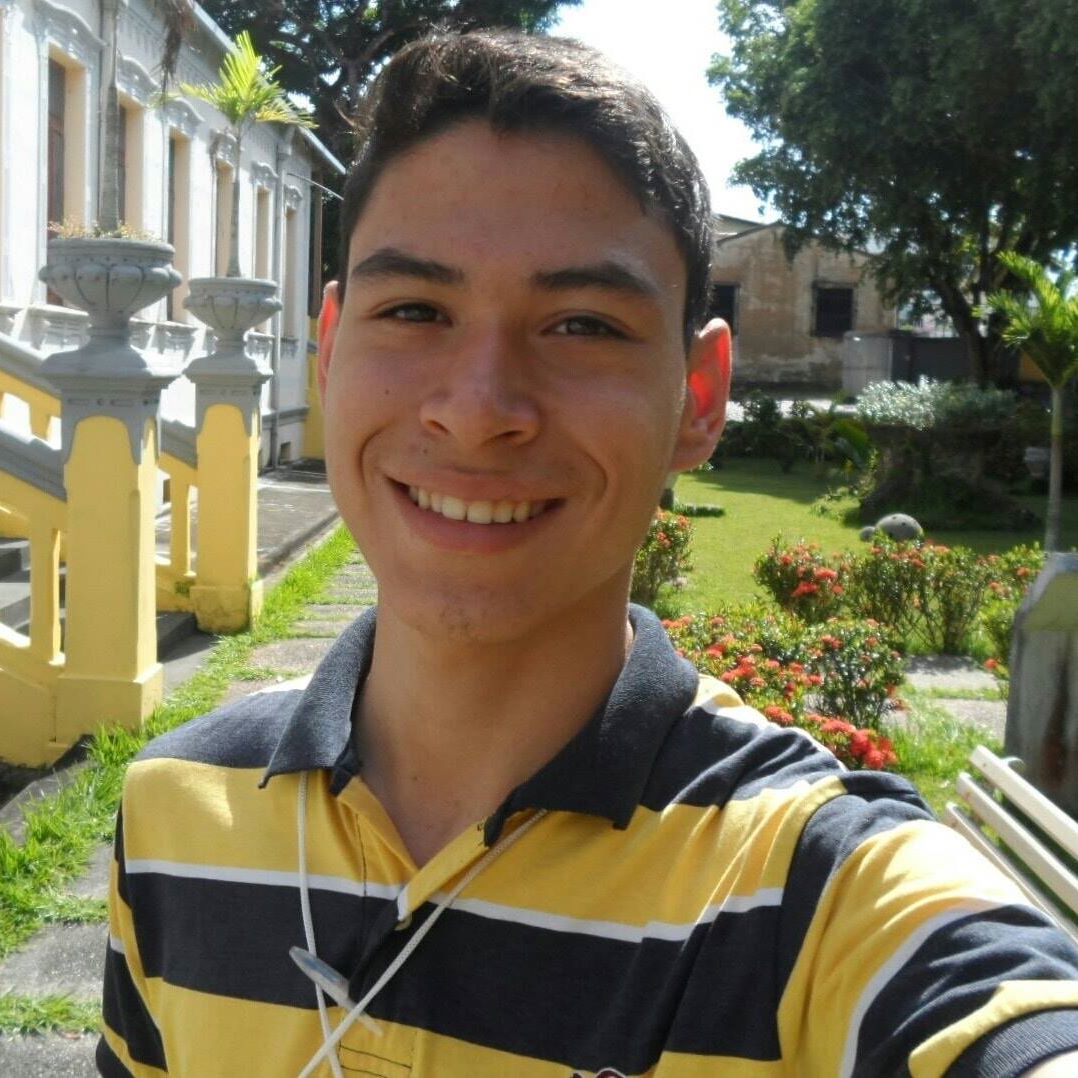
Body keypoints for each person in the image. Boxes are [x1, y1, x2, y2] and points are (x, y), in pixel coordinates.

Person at [98, 30, 1078, 1077]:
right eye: (416, 309)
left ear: (697, 397)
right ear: (331, 352)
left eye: (581, 326)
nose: (479, 409)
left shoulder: (806, 888)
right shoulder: (175, 810)